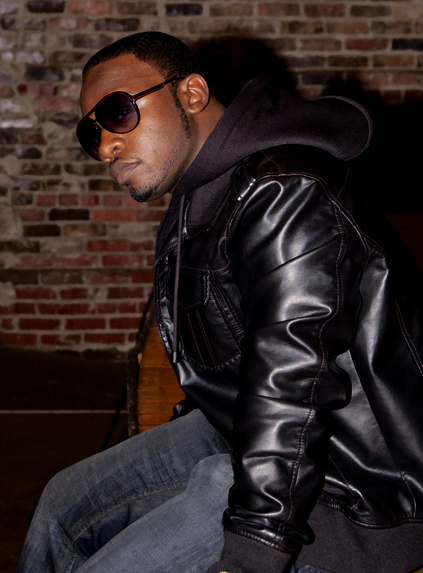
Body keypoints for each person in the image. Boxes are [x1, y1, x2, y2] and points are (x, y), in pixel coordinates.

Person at [17, 32, 423, 573]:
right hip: (239, 430)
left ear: (191, 93)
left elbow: (292, 386)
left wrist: (253, 552)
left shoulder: (286, 190)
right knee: (62, 508)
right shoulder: (205, 194)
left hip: (355, 492)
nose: (107, 146)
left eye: (118, 113)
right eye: (92, 132)